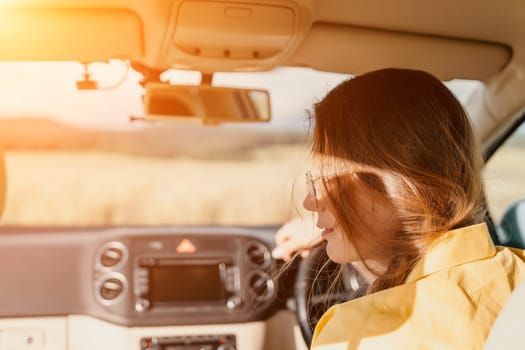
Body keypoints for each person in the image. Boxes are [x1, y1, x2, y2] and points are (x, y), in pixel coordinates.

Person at [274, 68, 525, 349]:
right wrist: (342, 226)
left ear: (400, 186)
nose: (310, 202)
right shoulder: (517, 271)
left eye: (325, 181)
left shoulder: (358, 332)